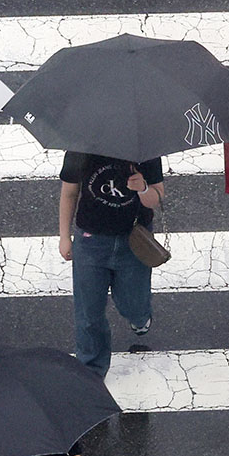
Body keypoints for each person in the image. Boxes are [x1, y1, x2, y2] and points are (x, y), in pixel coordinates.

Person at [58, 152, 164, 378]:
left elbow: (158, 198)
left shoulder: (145, 150)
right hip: (90, 241)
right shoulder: (80, 149)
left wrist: (143, 188)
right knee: (88, 313)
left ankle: (140, 317)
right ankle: (92, 371)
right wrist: (64, 236)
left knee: (133, 304)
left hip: (134, 241)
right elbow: (69, 193)